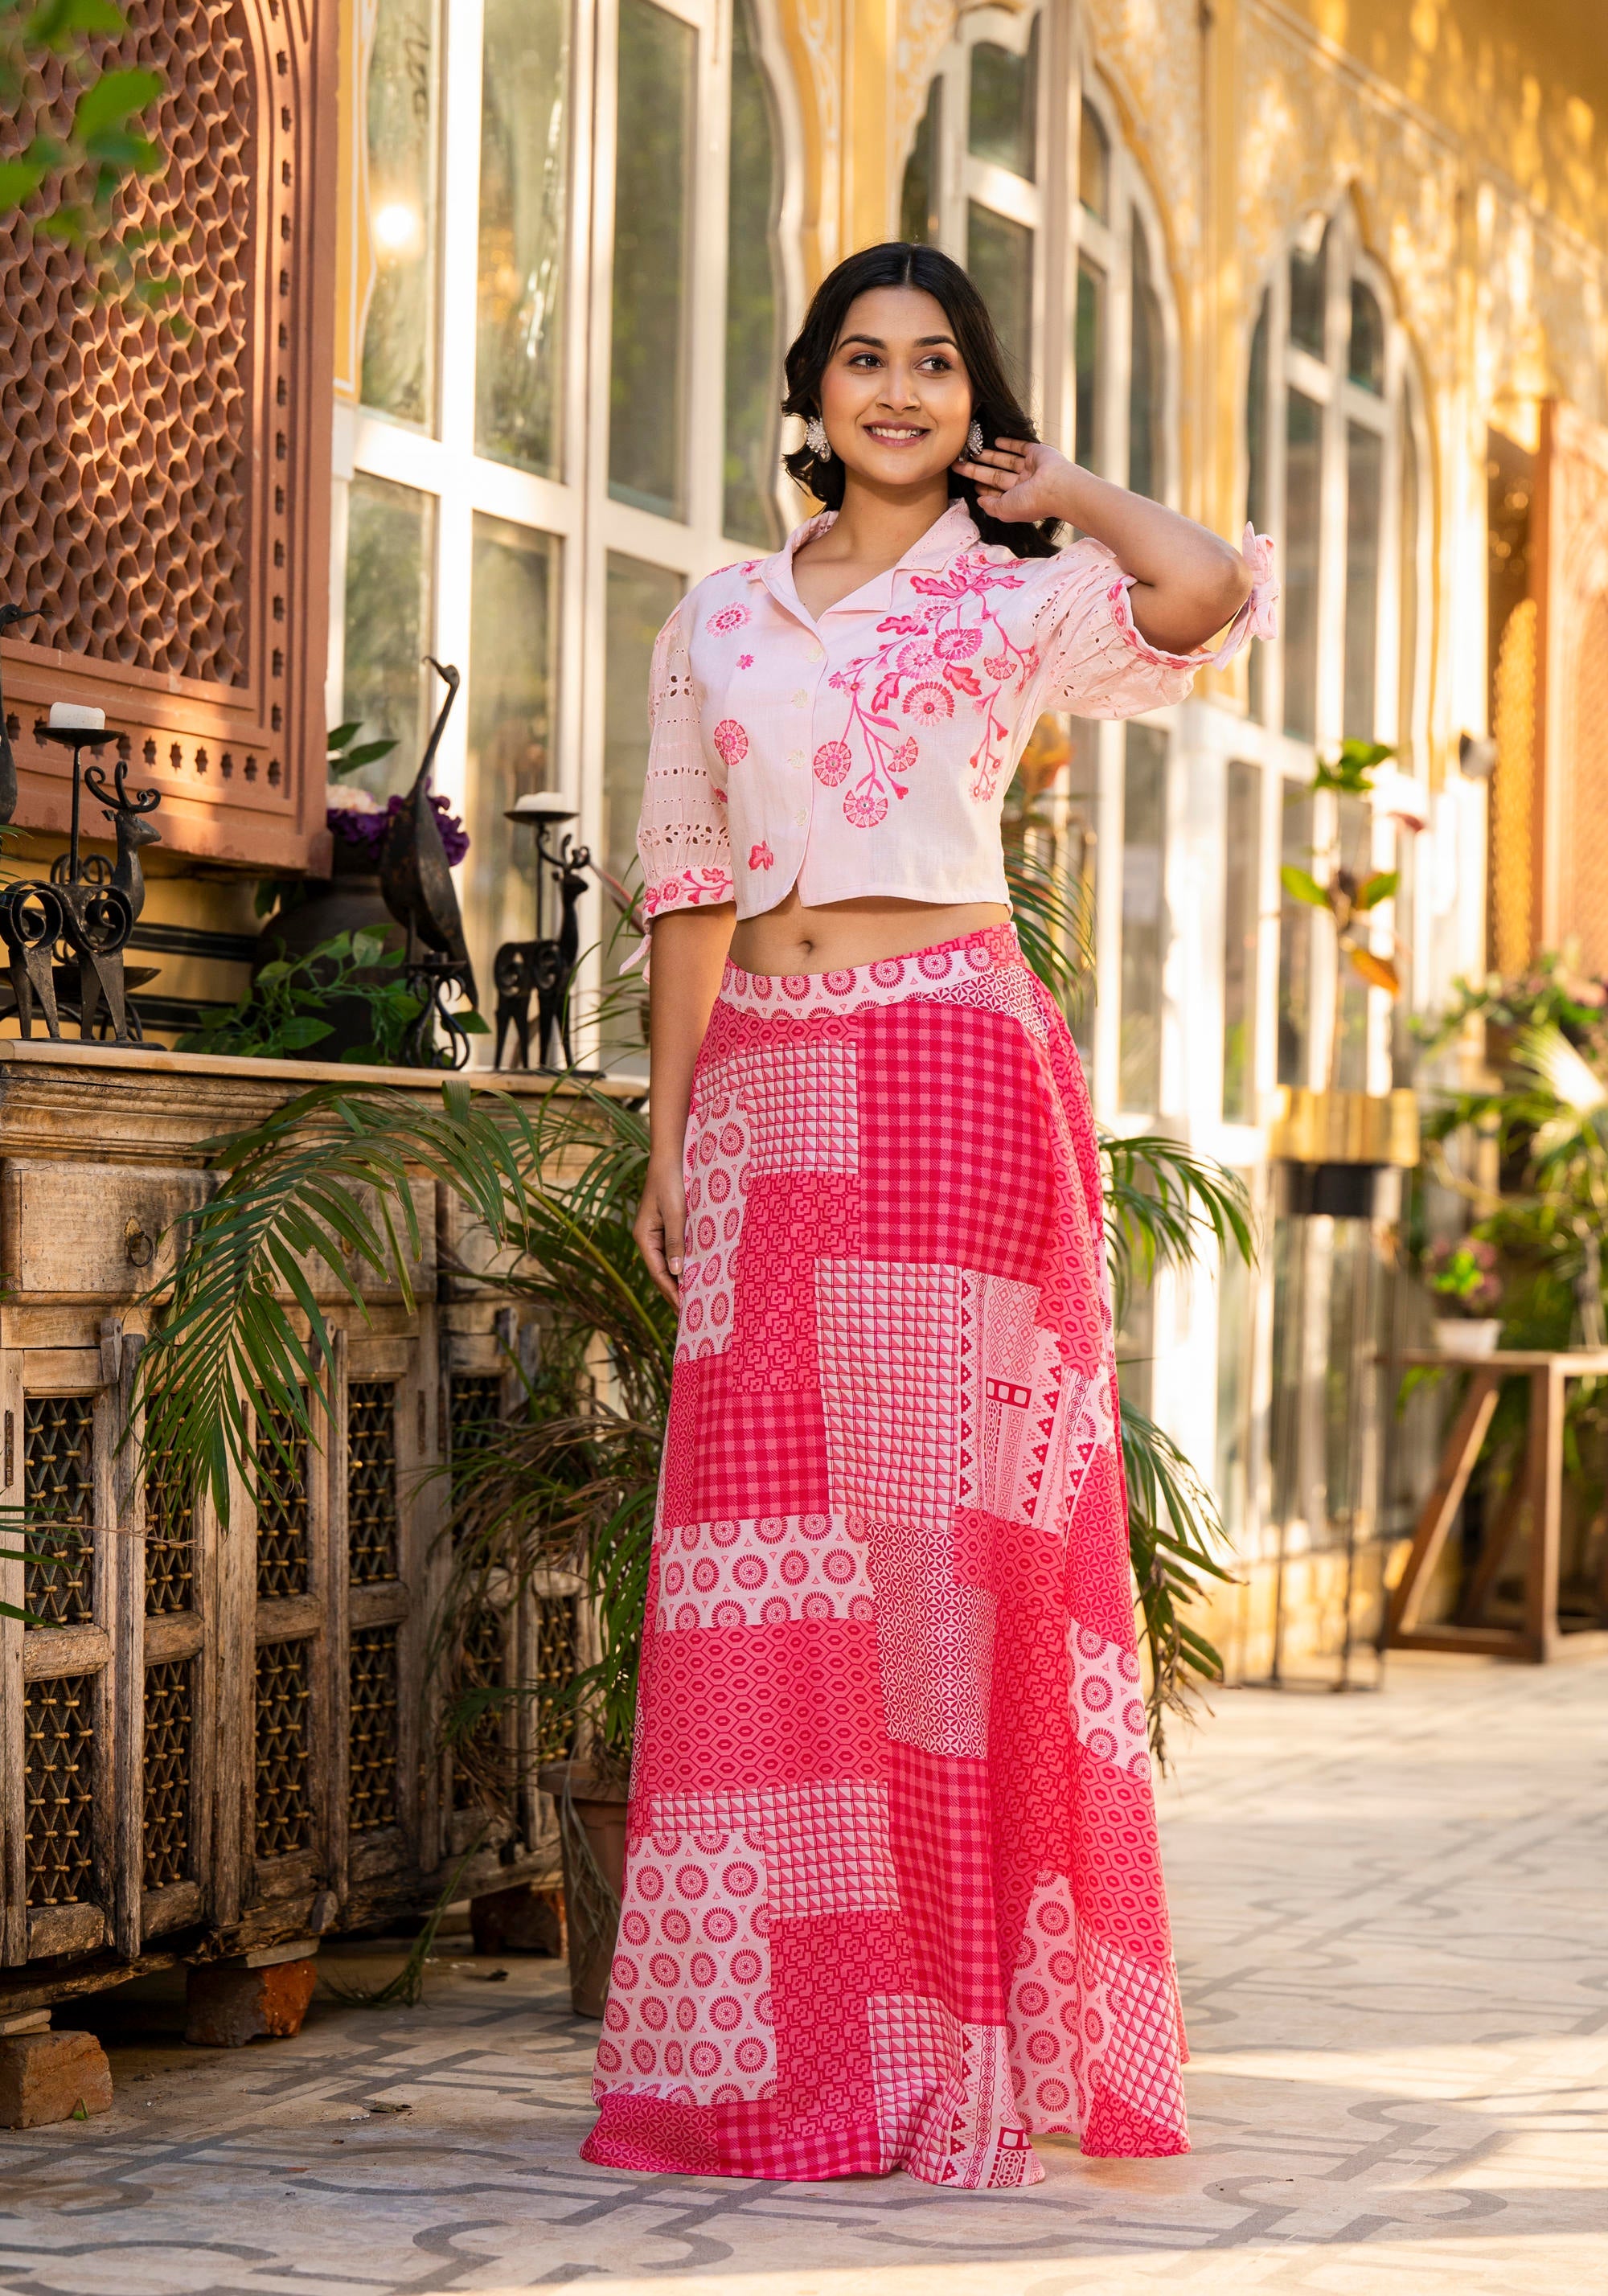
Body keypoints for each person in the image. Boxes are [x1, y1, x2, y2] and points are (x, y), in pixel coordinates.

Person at [580, 240, 1277, 2189]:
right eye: (864, 361)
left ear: (977, 405)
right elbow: (686, 886)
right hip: (768, 1087)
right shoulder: (712, 618)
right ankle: (782, 2051)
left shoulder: (1015, 597)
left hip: (952, 1070)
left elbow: (1206, 588)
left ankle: (961, 2032)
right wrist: (673, 1128)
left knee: (947, 1569)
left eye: (938, 367)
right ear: (807, 394)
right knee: (759, 1558)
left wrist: (1059, 494)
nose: (898, 392)